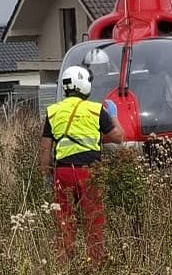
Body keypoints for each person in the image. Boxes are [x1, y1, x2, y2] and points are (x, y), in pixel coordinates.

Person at [40, 64, 124, 262]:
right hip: (89, 172)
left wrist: (46, 174)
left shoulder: (53, 111)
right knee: (93, 219)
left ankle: (64, 263)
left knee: (64, 219)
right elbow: (119, 137)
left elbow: (45, 148)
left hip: (62, 173)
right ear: (84, 85)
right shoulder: (96, 110)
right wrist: (113, 115)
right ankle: (94, 261)